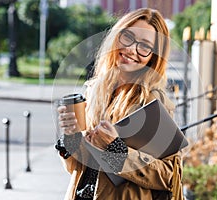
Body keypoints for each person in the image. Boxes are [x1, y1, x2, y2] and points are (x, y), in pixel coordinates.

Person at [55, 8, 184, 200]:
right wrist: (72, 138)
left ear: (153, 56)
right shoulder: (94, 91)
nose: (132, 50)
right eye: (128, 37)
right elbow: (79, 168)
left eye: (145, 46)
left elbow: (169, 175)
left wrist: (116, 149)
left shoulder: (151, 100)